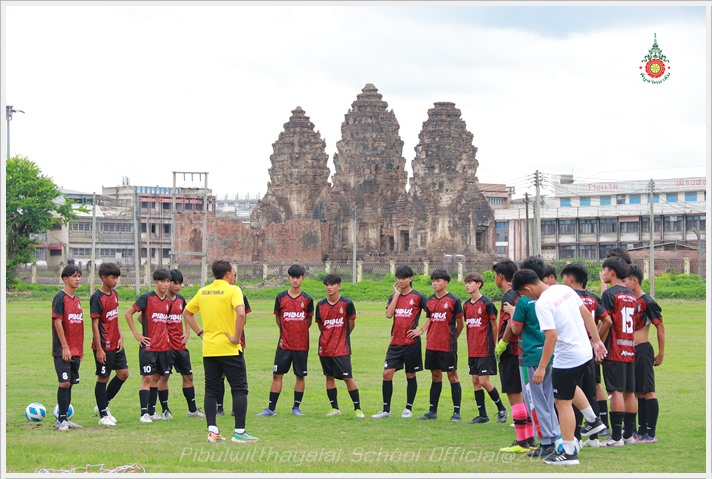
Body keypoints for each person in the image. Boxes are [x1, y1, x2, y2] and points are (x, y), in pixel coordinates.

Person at [512, 269, 608, 466]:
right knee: (570, 388)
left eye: (523, 294)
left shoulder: (543, 303)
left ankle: (569, 453)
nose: (525, 297)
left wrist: (541, 367)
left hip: (568, 356)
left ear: (527, 288)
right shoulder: (565, 290)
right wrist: (596, 341)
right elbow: (586, 315)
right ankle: (593, 420)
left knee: (562, 402)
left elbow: (552, 337)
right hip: (584, 351)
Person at [183, 259, 258, 443]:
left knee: (211, 390)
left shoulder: (203, 291)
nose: (234, 275)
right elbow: (241, 314)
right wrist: (235, 337)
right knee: (239, 389)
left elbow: (187, 313)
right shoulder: (234, 290)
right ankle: (239, 432)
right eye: (233, 272)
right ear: (228, 274)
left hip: (209, 349)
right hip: (229, 348)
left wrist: (200, 333)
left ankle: (212, 432)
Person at [503, 257, 561, 459]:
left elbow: (516, 328)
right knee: (550, 399)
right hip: (550, 353)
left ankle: (545, 442)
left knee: (536, 401)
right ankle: (555, 438)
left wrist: (511, 313)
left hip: (530, 357)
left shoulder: (523, 302)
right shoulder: (552, 297)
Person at [560, 262, 613, 446]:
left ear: (571, 279)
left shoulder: (567, 298)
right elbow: (607, 320)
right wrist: (596, 341)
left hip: (573, 351)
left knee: (572, 393)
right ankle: (594, 437)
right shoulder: (592, 298)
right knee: (591, 391)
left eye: (563, 279)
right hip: (588, 353)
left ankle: (573, 437)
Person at [257, 264, 314, 417]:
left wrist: (299, 331)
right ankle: (271, 408)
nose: (295, 280)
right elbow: (278, 317)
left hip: (301, 345)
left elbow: (308, 320)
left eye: (298, 277)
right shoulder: (281, 297)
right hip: (284, 344)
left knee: (300, 375)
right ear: (289, 278)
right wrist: (286, 331)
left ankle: (296, 407)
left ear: (302, 279)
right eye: (292, 277)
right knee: (277, 375)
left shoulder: (307, 299)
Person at [372, 265, 428, 419]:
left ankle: (408, 408)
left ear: (410, 279)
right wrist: (396, 296)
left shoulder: (418, 297)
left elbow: (433, 314)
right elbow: (389, 315)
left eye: (404, 278)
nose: (401, 281)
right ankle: (386, 410)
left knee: (410, 374)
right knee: (387, 373)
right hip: (395, 343)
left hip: (411, 343)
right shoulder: (393, 296)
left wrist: (421, 330)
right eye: (398, 278)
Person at [492, 259, 535, 452]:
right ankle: (530, 438)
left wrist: (502, 343)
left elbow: (512, 323)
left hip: (512, 351)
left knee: (514, 395)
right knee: (524, 395)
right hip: (526, 350)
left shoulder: (509, 295)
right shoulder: (523, 294)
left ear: (500, 277)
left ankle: (521, 441)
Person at [410, 269, 464, 422]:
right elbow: (431, 318)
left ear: (446, 282)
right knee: (435, 376)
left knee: (452, 376)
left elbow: (460, 324)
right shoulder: (430, 301)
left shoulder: (454, 300)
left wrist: (453, 338)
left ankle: (456, 412)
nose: (435, 283)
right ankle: (432, 411)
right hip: (432, 344)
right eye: (433, 280)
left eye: (438, 280)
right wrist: (421, 330)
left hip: (447, 346)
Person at [599, 256, 639, 447]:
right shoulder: (631, 295)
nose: (602, 274)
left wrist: (597, 343)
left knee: (615, 392)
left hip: (614, 349)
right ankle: (629, 435)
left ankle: (616, 437)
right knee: (629, 392)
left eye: (604, 270)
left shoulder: (609, 295)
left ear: (611, 272)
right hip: (630, 348)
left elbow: (607, 322)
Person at [125, 268, 172, 423]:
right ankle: (143, 413)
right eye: (162, 281)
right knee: (147, 378)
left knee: (157, 377)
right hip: (149, 348)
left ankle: (151, 412)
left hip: (163, 348)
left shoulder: (167, 302)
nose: (165, 285)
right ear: (155, 282)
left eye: (167, 281)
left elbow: (144, 318)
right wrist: (137, 334)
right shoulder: (147, 298)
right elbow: (129, 313)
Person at [156, 269, 205, 420]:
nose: (177, 286)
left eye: (180, 284)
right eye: (174, 283)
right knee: (163, 378)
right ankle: (165, 410)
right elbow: (142, 318)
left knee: (188, 376)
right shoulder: (161, 301)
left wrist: (188, 331)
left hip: (180, 346)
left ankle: (192, 410)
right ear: (167, 282)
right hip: (166, 347)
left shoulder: (181, 300)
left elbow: (187, 314)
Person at [624, 265, 665, 443]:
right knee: (636, 391)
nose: (624, 284)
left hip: (643, 350)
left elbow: (660, 326)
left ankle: (651, 433)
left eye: (625, 280)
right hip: (629, 350)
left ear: (634, 281)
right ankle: (639, 430)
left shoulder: (647, 301)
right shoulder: (629, 300)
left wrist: (661, 352)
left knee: (648, 391)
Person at [461, 272, 508, 425]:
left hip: (485, 349)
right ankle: (482, 415)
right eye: (466, 283)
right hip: (472, 349)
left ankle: (502, 409)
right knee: (475, 380)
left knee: (484, 381)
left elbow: (495, 326)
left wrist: (493, 345)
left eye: (470, 282)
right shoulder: (466, 305)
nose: (467, 285)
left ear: (479, 284)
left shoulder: (487, 304)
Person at [315, 274, 364, 418]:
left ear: (339, 285)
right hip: (325, 348)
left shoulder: (347, 304)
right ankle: (334, 407)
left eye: (332, 284)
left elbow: (351, 325)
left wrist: (340, 337)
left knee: (348, 378)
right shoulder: (321, 305)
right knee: (329, 377)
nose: (329, 288)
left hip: (341, 348)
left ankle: (358, 408)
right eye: (327, 285)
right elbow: (321, 326)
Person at [90, 262, 128, 427]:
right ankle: (103, 414)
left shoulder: (114, 294)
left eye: (117, 277)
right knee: (103, 378)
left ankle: (103, 404)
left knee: (123, 374)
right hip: (104, 345)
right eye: (113, 277)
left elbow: (115, 317)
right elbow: (94, 325)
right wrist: (99, 348)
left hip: (116, 342)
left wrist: (120, 336)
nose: (116, 280)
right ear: (103, 278)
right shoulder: (96, 298)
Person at [52, 260, 85, 431]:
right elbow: (58, 323)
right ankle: (61, 420)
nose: (78, 279)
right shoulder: (60, 298)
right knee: (64, 382)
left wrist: (80, 348)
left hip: (76, 349)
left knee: (70, 383)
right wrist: (65, 346)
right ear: (65, 279)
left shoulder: (77, 299)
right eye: (74, 276)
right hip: (62, 350)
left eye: (79, 276)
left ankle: (65, 419)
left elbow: (78, 324)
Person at [217, 294, 252, 417]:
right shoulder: (218, 295)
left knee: (235, 375)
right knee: (220, 374)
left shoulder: (240, 295)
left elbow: (244, 318)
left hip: (237, 341)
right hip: (222, 339)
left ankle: (235, 408)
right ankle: (219, 407)